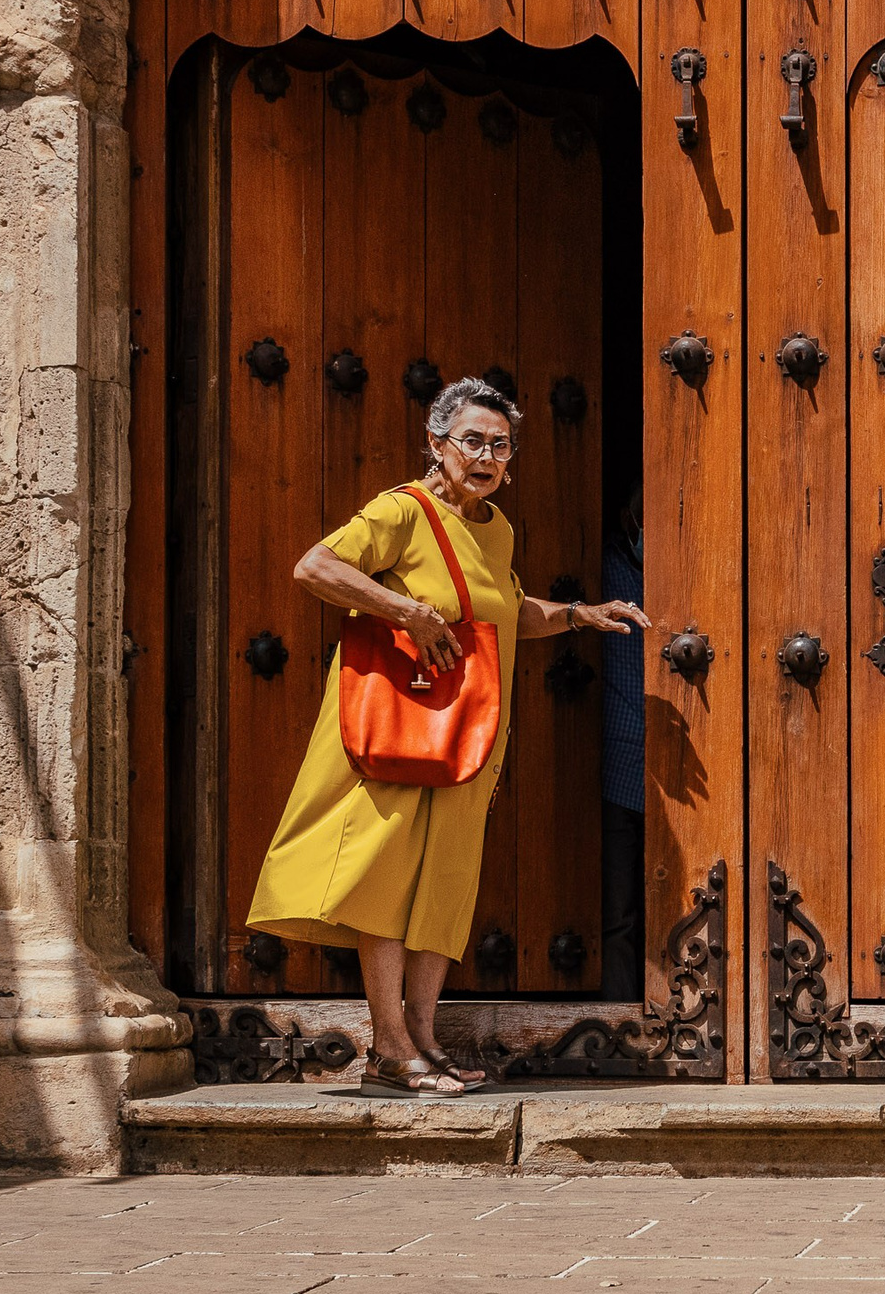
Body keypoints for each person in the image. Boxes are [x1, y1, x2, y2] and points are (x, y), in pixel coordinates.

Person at [246, 377, 650, 1096]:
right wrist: (406, 611)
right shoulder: (401, 511)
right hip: (401, 726)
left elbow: (503, 609)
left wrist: (578, 616)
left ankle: (423, 1042)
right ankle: (388, 1048)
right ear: (436, 444)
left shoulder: (494, 526)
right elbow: (317, 566)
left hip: (466, 731)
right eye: (473, 441)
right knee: (387, 880)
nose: (487, 455)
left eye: (500, 444)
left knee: (443, 886)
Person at [598, 484, 645, 1000]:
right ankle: (618, 1018)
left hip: (680, 771)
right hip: (616, 766)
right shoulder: (606, 571)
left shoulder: (689, 573)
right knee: (618, 914)